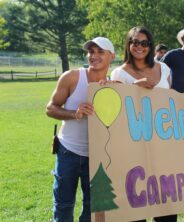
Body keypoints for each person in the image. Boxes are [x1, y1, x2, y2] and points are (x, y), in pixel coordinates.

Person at [46, 37, 115, 222]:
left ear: (112, 56)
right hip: (69, 151)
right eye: (91, 51)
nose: (94, 56)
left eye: (100, 52)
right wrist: (74, 114)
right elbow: (50, 108)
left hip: (97, 156)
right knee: (63, 206)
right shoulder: (73, 77)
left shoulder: (113, 85)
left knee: (92, 209)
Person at [110, 26, 175, 222]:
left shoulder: (164, 69)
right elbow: (116, 112)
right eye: (135, 42)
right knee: (137, 204)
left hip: (163, 144)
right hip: (134, 146)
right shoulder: (119, 74)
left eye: (144, 43)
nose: (139, 46)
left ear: (150, 45)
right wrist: (133, 89)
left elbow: (171, 102)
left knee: (166, 205)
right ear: (128, 44)